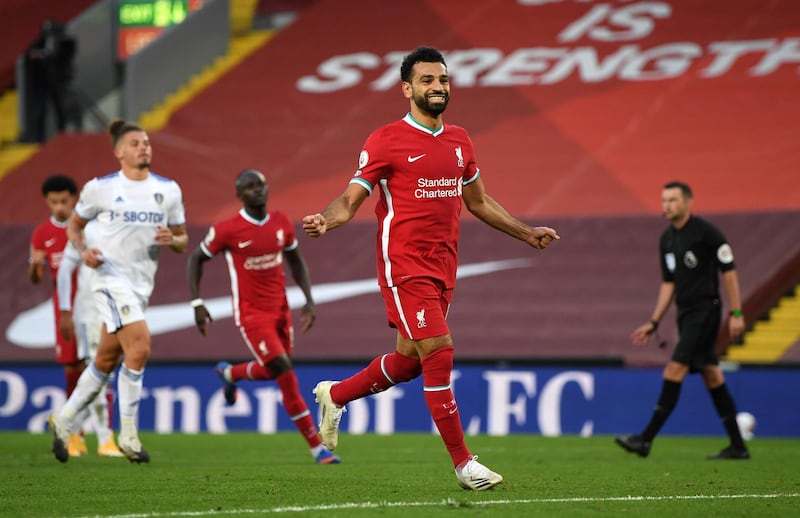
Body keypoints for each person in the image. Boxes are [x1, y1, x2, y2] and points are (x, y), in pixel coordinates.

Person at [301, 46, 559, 490]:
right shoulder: (385, 140)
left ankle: (335, 394)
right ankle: (464, 464)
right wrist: (327, 219)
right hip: (404, 267)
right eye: (426, 80)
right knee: (439, 350)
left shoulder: (460, 140)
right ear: (407, 89)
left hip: (444, 267)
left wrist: (524, 232)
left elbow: (476, 201)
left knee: (408, 363)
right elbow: (350, 200)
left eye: (442, 80)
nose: (437, 87)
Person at [48, 119, 188, 463]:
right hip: (109, 280)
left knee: (105, 360)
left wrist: (175, 239)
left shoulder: (168, 190)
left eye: (147, 142)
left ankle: (64, 422)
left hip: (141, 286)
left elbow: (183, 239)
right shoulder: (100, 188)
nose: (144, 147)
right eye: (136, 143)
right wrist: (84, 253)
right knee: (139, 347)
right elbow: (74, 228)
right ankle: (128, 435)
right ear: (119, 152)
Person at [187, 168, 340, 465]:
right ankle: (316, 448)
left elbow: (295, 261)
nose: (258, 190)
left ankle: (230, 373)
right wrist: (196, 302)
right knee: (284, 371)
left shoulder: (282, 222)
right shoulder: (227, 230)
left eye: (261, 184)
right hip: (252, 315)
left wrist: (308, 299)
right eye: (250, 186)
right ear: (239, 194)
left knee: (273, 369)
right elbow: (196, 258)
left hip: (280, 311)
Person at [615, 181, 749, 460]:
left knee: (674, 370)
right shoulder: (667, 239)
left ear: (688, 201)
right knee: (712, 375)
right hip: (685, 313)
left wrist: (736, 313)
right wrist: (654, 322)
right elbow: (669, 283)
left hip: (706, 310)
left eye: (673, 200)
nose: (667, 205)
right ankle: (738, 445)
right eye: (664, 200)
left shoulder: (706, 233)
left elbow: (729, 272)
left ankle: (645, 439)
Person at [29, 174, 89, 456]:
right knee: (72, 368)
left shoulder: (86, 229)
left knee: (94, 368)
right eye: (54, 202)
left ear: (74, 198)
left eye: (64, 201)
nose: (60, 207)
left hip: (90, 307)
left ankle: (96, 433)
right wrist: (35, 265)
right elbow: (36, 277)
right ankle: (74, 431)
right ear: (47, 202)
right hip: (63, 311)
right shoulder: (41, 234)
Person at [57, 221, 124, 457]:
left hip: (118, 310)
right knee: (101, 373)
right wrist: (65, 310)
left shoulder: (126, 224)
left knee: (106, 372)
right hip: (90, 312)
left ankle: (66, 421)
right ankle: (105, 440)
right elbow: (65, 268)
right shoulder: (87, 230)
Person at [19, 18, 79, 143]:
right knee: (39, 110)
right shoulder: (41, 41)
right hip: (43, 82)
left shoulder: (67, 42)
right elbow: (30, 53)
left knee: (62, 109)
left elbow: (57, 55)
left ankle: (63, 134)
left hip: (60, 82)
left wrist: (42, 55)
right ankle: (37, 137)